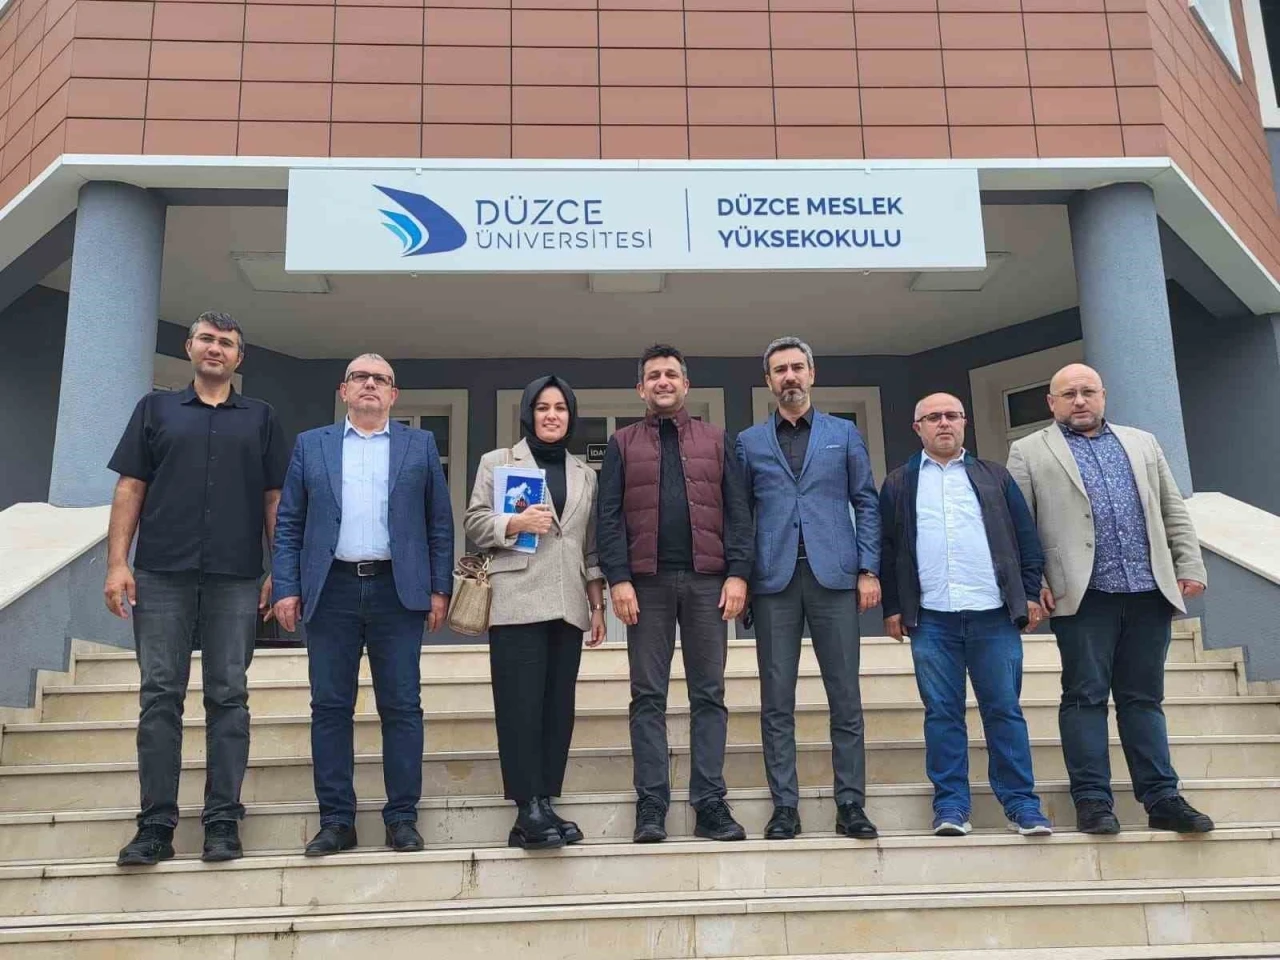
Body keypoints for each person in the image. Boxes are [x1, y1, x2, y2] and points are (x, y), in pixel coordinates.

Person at [104, 311, 288, 866]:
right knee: (160, 694)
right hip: (161, 573)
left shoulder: (261, 418)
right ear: (189, 348)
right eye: (207, 339)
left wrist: (281, 570)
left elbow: (275, 499)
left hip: (236, 575)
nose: (215, 349)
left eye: (226, 343)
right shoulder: (154, 409)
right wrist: (117, 563)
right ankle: (155, 825)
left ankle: (223, 821)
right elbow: (130, 487)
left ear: (239, 357)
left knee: (228, 695)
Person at [1007, 363, 1212, 835]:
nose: (1079, 401)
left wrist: (1189, 564)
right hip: (1082, 595)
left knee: (1144, 698)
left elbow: (1171, 507)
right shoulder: (1029, 451)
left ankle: (1162, 798)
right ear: (1051, 403)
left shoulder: (1143, 443)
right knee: (1085, 696)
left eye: (1087, 392)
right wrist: (1032, 583)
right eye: (1068, 394)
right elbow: (1020, 528)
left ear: (1103, 396)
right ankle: (1093, 801)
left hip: (1147, 589)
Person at [272, 353, 454, 856]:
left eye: (381, 379)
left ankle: (402, 818)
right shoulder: (312, 445)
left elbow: (439, 521)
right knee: (330, 706)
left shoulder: (420, 445)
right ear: (344, 390)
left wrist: (440, 588)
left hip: (399, 591)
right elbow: (289, 522)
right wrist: (286, 585)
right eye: (360, 377)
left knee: (402, 706)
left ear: (394, 395)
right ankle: (336, 820)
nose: (370, 384)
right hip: (331, 590)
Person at [597, 344, 753, 843]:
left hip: (709, 582)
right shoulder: (621, 444)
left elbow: (739, 512)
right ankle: (651, 804)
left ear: (686, 385)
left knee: (710, 693)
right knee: (648, 695)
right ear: (640, 389)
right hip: (647, 585)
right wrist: (618, 578)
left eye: (670, 374)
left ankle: (710, 804)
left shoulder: (717, 440)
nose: (662, 382)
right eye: (653, 376)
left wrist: (739, 574)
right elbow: (608, 518)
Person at [879, 392, 1053, 837]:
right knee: (942, 714)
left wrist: (1028, 593)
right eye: (933, 417)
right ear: (917, 428)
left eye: (952, 416)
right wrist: (894, 607)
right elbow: (889, 551)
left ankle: (1022, 805)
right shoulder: (899, 483)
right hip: (932, 618)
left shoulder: (995, 476)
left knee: (1004, 711)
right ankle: (951, 806)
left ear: (964, 423)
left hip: (994, 614)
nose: (944, 423)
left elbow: (1026, 539)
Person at [736, 336, 880, 841]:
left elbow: (866, 501)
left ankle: (851, 804)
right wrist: (742, 576)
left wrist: (868, 568)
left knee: (845, 697)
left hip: (834, 578)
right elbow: (741, 515)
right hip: (773, 582)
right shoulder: (749, 442)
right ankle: (784, 807)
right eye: (780, 370)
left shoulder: (844, 433)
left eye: (797, 367)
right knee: (777, 700)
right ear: (769, 381)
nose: (790, 376)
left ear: (812, 374)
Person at [465, 376, 607, 849]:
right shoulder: (499, 462)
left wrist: (597, 605)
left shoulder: (585, 474)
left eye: (560, 408)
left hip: (568, 604)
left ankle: (545, 801)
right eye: (543, 407)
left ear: (571, 416)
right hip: (517, 599)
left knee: (557, 709)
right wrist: (515, 522)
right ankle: (526, 806)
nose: (552, 415)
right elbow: (474, 522)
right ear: (529, 413)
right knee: (520, 706)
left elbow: (589, 547)